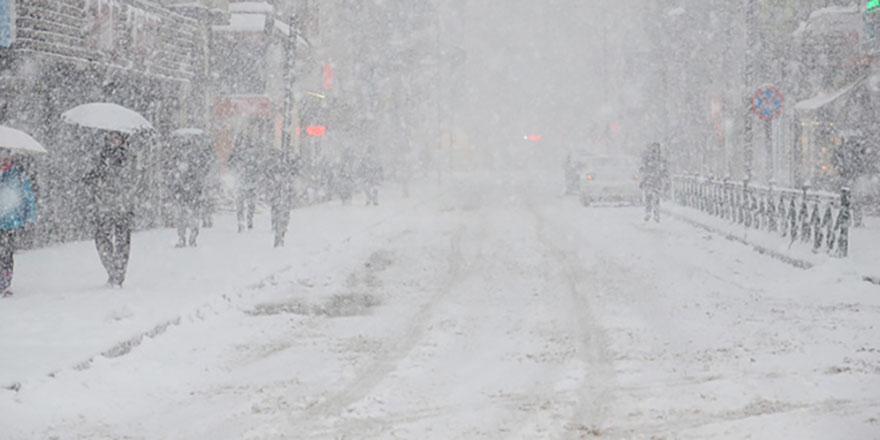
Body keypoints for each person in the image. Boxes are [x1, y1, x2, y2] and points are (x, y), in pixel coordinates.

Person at [83, 132, 144, 287]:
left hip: (123, 205)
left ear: (122, 139)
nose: (114, 141)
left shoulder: (130, 158)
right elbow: (91, 177)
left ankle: (119, 274)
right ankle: (112, 270)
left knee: (122, 241)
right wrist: (93, 178)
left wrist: (129, 195)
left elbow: (138, 180)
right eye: (111, 137)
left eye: (117, 137)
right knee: (101, 238)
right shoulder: (100, 157)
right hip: (104, 205)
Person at [0, 150, 36, 297]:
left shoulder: (19, 177)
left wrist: (29, 219)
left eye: (6, 159)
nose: (4, 162)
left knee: (6, 254)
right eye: (1, 159)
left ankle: (5, 283)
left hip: (10, 223)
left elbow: (29, 199)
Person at [169, 133, 213, 247]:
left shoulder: (197, 159)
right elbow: (173, 174)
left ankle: (192, 237)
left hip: (192, 193)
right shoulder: (178, 159)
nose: (186, 149)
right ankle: (182, 237)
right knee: (182, 217)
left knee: (192, 217)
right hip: (183, 193)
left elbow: (200, 174)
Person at [228, 126, 264, 232]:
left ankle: (243, 221)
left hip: (244, 181)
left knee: (242, 204)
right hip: (248, 181)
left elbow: (230, 164)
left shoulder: (238, 153)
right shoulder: (252, 153)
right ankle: (247, 221)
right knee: (249, 204)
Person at [266, 149, 298, 247]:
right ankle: (278, 229)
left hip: (281, 193)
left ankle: (279, 229)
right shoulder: (279, 167)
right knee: (279, 209)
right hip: (280, 193)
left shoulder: (280, 167)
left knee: (280, 209)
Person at [639, 142, 669, 223]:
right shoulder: (649, 159)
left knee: (654, 198)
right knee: (650, 198)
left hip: (654, 181)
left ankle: (654, 213)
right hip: (651, 181)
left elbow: (664, 171)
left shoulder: (659, 159)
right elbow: (642, 169)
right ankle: (650, 213)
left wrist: (665, 178)